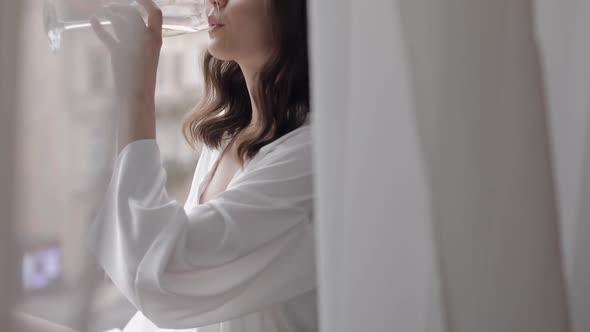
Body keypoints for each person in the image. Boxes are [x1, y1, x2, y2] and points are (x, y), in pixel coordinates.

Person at [12, 0, 315, 331]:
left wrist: (137, 93)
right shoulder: (229, 139)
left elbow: (163, 278)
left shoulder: (310, 161)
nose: (215, 1)